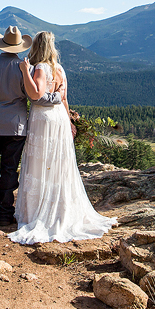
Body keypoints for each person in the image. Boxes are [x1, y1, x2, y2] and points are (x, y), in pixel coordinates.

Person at [8, 31, 117, 244]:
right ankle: (60, 209)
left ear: (37, 47)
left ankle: (40, 213)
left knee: (42, 162)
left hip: (44, 119)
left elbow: (36, 95)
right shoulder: (60, 68)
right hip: (58, 116)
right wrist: (68, 122)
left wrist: (24, 72)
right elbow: (64, 98)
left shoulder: (40, 68)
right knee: (58, 163)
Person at [0, 25, 63, 228]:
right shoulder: (26, 69)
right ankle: (4, 215)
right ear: (20, 47)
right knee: (9, 171)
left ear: (2, 45)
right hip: (16, 128)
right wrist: (58, 96)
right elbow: (35, 97)